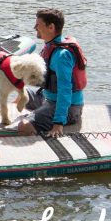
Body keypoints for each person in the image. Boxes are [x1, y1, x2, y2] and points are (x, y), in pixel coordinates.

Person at [18, 9, 86, 138]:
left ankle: (38, 130)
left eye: (38, 25)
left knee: (24, 126)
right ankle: (32, 115)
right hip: (48, 98)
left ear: (51, 27)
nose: (34, 27)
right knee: (22, 91)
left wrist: (58, 122)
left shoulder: (62, 56)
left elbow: (65, 90)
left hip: (70, 108)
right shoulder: (50, 46)